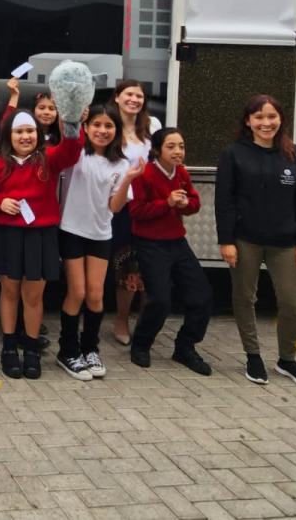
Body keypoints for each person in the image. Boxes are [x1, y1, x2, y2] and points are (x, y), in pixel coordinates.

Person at [216, 95, 296, 389]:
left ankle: (287, 360)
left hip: (287, 242)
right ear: (248, 121)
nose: (266, 123)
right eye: (259, 117)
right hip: (245, 240)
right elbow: (226, 202)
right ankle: (253, 356)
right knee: (245, 298)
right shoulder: (233, 154)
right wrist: (227, 241)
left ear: (281, 119)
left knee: (291, 303)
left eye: (272, 116)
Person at [0, 110, 82, 380]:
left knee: (33, 296)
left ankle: (31, 349)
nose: (25, 136)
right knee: (10, 291)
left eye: (31, 131)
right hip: (8, 234)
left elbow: (72, 148)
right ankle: (9, 348)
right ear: (9, 135)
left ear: (39, 134)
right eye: (19, 131)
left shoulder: (50, 158)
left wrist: (71, 118)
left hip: (41, 235)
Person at [56, 106, 145, 380]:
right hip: (71, 230)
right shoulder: (76, 155)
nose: (102, 131)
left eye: (109, 126)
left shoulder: (121, 164)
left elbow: (115, 207)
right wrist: (69, 109)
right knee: (78, 292)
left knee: (96, 295)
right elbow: (64, 132)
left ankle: (90, 349)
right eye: (96, 125)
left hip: (100, 235)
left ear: (117, 131)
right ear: (86, 127)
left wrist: (129, 178)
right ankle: (67, 351)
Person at [127, 127, 213, 376]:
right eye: (171, 147)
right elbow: (136, 212)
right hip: (150, 243)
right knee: (161, 300)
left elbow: (194, 204)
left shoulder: (182, 173)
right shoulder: (145, 175)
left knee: (202, 296)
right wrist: (166, 204)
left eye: (181, 146)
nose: (178, 152)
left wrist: (187, 204)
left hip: (177, 242)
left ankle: (185, 347)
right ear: (156, 150)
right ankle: (141, 344)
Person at [110, 79, 162, 345]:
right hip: (116, 204)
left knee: (146, 263)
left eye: (139, 96)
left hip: (145, 203)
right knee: (125, 263)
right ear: (117, 97)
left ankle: (145, 321)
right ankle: (120, 319)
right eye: (129, 94)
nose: (134, 99)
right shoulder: (107, 123)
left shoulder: (153, 126)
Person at [3, 79, 61, 145]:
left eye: (51, 109)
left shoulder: (60, 138)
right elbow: (6, 127)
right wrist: (14, 95)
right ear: (33, 110)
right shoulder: (25, 137)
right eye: (41, 108)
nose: (46, 112)